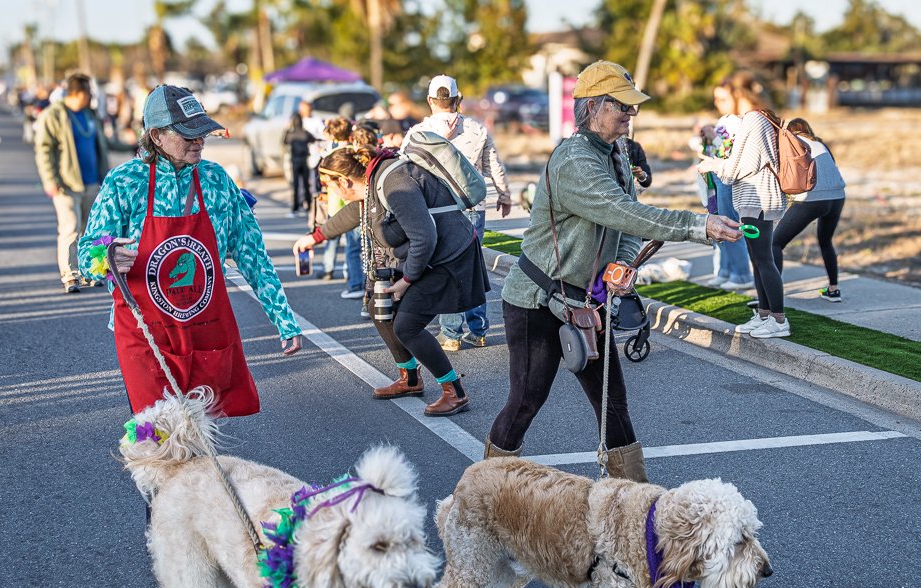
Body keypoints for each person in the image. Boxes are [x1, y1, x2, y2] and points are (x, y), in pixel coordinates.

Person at [485, 61, 742, 479]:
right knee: (526, 400)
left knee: (612, 403)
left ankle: (634, 500)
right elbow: (626, 211)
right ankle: (486, 489)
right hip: (536, 301)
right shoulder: (575, 161)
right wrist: (700, 225)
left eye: (632, 106)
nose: (630, 114)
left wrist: (622, 263)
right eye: (622, 105)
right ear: (593, 107)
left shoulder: (616, 152)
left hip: (584, 300)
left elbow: (624, 224)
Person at [77, 84, 302, 418]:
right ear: (155, 136)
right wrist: (105, 258)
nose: (199, 141)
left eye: (202, 133)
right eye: (188, 134)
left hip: (204, 329)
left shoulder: (216, 180)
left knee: (200, 432)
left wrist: (285, 320)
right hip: (145, 335)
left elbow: (252, 253)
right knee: (158, 436)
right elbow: (87, 253)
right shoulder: (124, 181)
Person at [292, 144, 489, 417]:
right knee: (379, 308)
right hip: (426, 256)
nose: (329, 193)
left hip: (449, 258)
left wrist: (406, 281)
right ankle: (409, 379)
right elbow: (354, 212)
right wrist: (315, 237)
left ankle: (454, 392)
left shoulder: (395, 183)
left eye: (329, 186)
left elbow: (425, 237)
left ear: (343, 181)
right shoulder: (373, 182)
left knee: (407, 325)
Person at [406, 74, 511, 351]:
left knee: (447, 267)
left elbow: (404, 167)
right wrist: (504, 194)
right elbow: (493, 164)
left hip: (438, 209)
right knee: (473, 265)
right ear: (457, 99)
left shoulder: (418, 132)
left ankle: (451, 333)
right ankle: (478, 330)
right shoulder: (477, 129)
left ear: (430, 100)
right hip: (474, 206)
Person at [697, 73, 790, 338]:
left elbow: (738, 168)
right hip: (752, 201)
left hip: (758, 201)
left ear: (740, 95)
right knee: (758, 259)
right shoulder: (759, 118)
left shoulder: (754, 121)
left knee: (763, 260)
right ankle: (764, 314)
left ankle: (779, 320)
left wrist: (713, 164)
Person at [35, 74, 111, 293]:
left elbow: (103, 143)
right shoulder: (54, 115)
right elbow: (44, 149)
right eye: (89, 94)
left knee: (92, 229)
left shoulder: (90, 115)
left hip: (92, 181)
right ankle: (70, 275)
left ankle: (91, 271)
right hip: (66, 184)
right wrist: (50, 180)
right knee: (70, 228)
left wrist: (131, 146)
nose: (91, 98)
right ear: (77, 93)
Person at [771, 118, 846, 302]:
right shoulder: (820, 144)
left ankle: (773, 296)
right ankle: (833, 290)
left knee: (775, 243)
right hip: (837, 196)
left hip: (812, 199)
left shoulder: (794, 143)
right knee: (826, 241)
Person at [701, 83, 753, 290]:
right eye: (716, 99)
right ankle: (725, 270)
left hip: (730, 179)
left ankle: (741, 274)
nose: (718, 103)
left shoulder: (743, 122)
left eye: (723, 99)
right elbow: (718, 149)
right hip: (717, 176)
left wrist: (714, 138)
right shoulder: (724, 120)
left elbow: (735, 153)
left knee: (730, 224)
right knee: (718, 223)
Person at [316, 116, 364, 299]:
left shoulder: (330, 154)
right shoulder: (354, 151)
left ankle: (352, 282)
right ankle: (354, 278)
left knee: (335, 240)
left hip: (336, 205)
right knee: (356, 246)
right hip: (354, 204)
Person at [282, 111, 314, 217]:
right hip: (304, 160)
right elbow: (313, 139)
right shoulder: (305, 133)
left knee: (295, 185)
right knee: (306, 184)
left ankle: (295, 207)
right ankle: (308, 205)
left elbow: (284, 141)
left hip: (295, 161)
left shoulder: (291, 134)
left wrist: (287, 128)